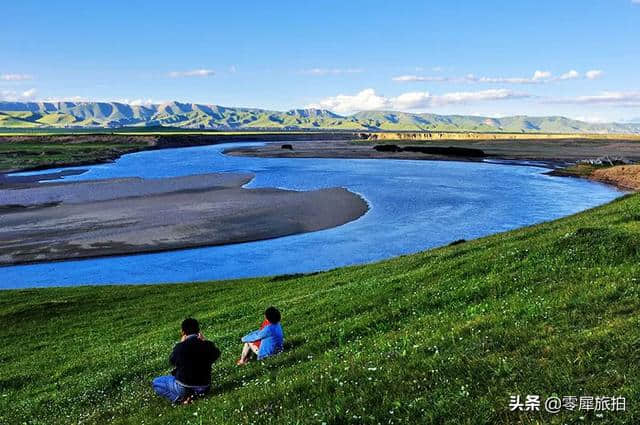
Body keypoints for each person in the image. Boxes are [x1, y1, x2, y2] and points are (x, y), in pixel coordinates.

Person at [152, 318, 221, 404]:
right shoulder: (207, 345)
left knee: (156, 382)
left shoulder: (180, 347)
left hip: (184, 387)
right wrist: (205, 341)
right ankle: (192, 396)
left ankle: (181, 400)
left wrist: (181, 344)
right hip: (204, 387)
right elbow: (216, 354)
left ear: (183, 332)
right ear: (198, 331)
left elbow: (172, 361)